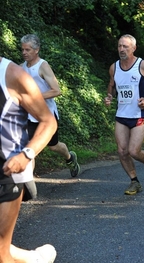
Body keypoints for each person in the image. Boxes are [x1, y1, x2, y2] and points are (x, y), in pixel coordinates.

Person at [0, 57, 57, 262]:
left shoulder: (13, 75)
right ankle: (36, 259)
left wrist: (27, 155)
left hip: (8, 173)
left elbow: (48, 121)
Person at [104, 34, 144, 195]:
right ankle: (134, 182)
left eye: (125, 46)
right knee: (122, 151)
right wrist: (110, 96)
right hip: (122, 115)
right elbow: (112, 86)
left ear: (134, 48)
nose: (122, 49)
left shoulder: (142, 65)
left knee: (133, 151)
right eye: (119, 46)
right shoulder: (114, 67)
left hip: (139, 115)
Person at [20, 34, 81, 177]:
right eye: (22, 50)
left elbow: (56, 90)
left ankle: (70, 158)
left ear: (37, 50)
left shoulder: (43, 66)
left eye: (27, 50)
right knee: (29, 147)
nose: (24, 53)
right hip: (29, 115)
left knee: (53, 146)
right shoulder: (21, 67)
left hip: (46, 115)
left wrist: (33, 98)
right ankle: (27, 183)